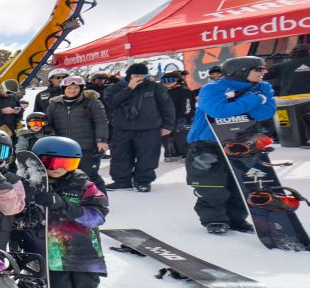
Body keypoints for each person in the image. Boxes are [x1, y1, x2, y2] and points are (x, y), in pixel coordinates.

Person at [19, 136, 108, 288]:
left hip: (84, 254)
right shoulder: (29, 185)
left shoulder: (83, 185)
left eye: (67, 163)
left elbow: (97, 216)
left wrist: (63, 206)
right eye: (52, 162)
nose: (59, 168)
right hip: (50, 256)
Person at [186, 56, 276, 234]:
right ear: (241, 71)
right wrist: (253, 100)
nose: (264, 72)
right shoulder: (212, 88)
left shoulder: (263, 87)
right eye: (259, 69)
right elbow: (218, 111)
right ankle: (215, 219)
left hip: (241, 143)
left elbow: (266, 111)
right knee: (211, 184)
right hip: (207, 143)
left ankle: (236, 219)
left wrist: (238, 104)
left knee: (241, 184)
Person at [102, 63, 175, 192]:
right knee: (120, 155)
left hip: (149, 128)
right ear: (129, 75)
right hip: (122, 128)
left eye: (142, 76)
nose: (140, 78)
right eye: (136, 75)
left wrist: (168, 125)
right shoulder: (114, 88)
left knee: (147, 156)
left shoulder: (155, 87)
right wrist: (129, 88)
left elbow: (167, 106)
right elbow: (110, 103)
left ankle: (143, 181)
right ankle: (122, 181)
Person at [44, 75, 109, 187]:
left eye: (76, 88)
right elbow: (47, 123)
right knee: (66, 176)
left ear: (81, 88)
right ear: (64, 89)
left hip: (86, 148)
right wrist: (53, 136)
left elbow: (101, 122)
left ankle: (98, 197)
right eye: (69, 88)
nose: (72, 90)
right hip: (64, 149)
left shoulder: (92, 102)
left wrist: (101, 140)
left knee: (89, 176)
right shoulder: (55, 105)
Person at [159, 70, 196, 160]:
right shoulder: (162, 92)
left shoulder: (185, 92)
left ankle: (186, 153)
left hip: (182, 118)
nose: (167, 83)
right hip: (166, 119)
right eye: (164, 81)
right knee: (167, 136)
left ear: (178, 80)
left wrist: (186, 117)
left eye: (170, 80)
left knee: (181, 134)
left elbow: (188, 106)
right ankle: (172, 153)